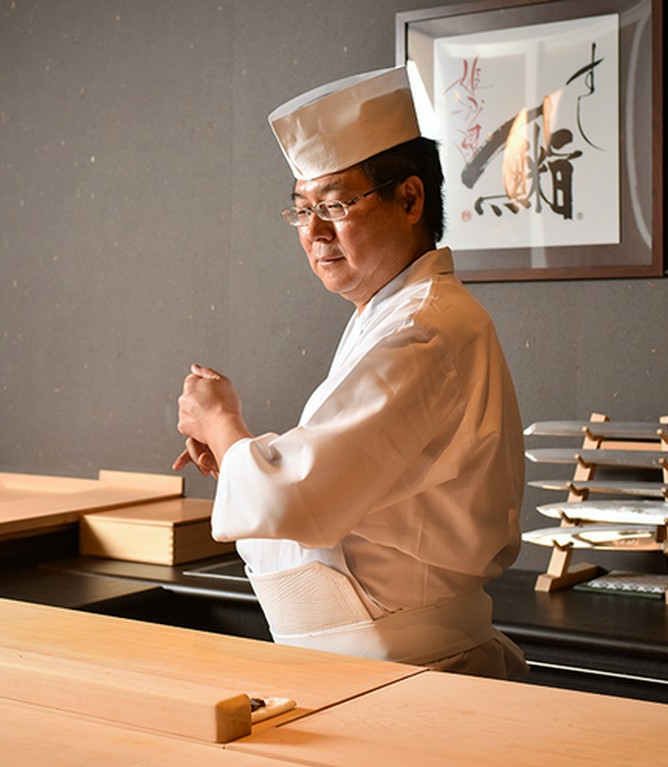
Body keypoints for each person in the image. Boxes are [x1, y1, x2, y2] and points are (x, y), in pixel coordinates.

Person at [173, 66, 527, 679]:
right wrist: (236, 461)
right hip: (361, 668)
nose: (313, 233)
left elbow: (294, 495)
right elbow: (337, 488)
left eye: (335, 205)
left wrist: (223, 424)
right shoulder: (385, 314)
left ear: (410, 199)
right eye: (301, 210)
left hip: (414, 675)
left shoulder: (427, 329)